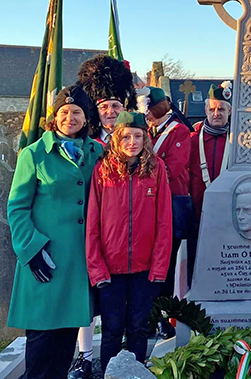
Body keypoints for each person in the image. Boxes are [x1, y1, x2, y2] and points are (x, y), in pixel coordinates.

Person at [7, 86, 103, 379]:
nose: (69, 117)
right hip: (45, 261)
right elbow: (17, 207)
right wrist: (31, 250)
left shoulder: (97, 152)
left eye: (77, 112)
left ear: (86, 118)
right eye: (64, 112)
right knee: (41, 345)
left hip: (78, 263)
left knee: (64, 347)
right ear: (54, 116)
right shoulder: (33, 154)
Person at [86, 111, 172, 372]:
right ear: (116, 139)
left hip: (144, 270)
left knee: (139, 327)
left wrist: (159, 268)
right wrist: (96, 268)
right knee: (112, 328)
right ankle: (109, 374)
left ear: (145, 138)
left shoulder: (156, 170)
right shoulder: (103, 171)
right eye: (125, 136)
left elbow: (164, 222)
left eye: (137, 136)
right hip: (110, 269)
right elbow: (92, 224)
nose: (132, 142)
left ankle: (136, 373)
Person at [69, 55, 136, 378]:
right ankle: (84, 355)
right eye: (104, 107)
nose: (110, 113)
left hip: (122, 233)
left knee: (117, 301)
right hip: (88, 227)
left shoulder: (136, 139)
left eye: (115, 106)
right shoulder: (88, 144)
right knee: (87, 297)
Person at [137, 85, 192, 337]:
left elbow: (174, 168)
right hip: (148, 205)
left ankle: (163, 316)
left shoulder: (178, 131)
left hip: (171, 202)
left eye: (149, 110)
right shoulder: (149, 130)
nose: (146, 115)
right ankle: (147, 315)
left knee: (166, 265)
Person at [188, 82, 232, 223]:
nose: (216, 114)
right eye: (212, 109)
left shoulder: (237, 142)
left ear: (229, 111)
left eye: (221, 109)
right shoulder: (192, 139)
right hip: (196, 212)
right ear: (206, 110)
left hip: (228, 210)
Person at [77, 55, 136, 143]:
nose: (110, 111)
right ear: (96, 111)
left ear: (124, 109)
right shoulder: (85, 143)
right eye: (104, 107)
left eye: (115, 106)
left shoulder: (135, 142)